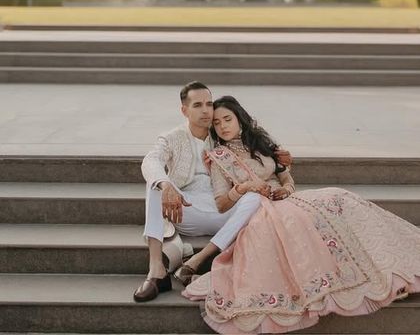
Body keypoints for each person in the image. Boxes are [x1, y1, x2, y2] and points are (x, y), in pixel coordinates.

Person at [183, 96, 420, 334]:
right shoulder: (218, 158)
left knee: (339, 199)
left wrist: (286, 189)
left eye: (227, 119)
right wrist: (243, 188)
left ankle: (387, 274)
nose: (223, 126)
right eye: (216, 123)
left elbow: (284, 176)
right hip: (261, 210)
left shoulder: (260, 143)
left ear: (240, 120)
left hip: (289, 199)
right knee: (296, 222)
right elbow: (222, 204)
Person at [133, 82, 291, 302]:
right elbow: (150, 160)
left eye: (209, 103)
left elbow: (262, 156)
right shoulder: (172, 138)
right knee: (155, 185)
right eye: (197, 105)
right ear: (184, 110)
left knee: (254, 198)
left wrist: (279, 158)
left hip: (227, 212)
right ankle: (156, 271)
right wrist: (166, 185)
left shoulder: (223, 132)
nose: (206, 110)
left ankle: (198, 259)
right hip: (186, 209)